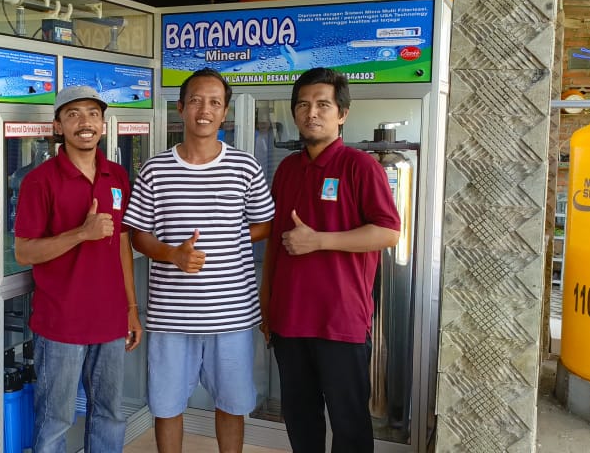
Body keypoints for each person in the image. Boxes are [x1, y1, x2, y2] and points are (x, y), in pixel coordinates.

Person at [123, 68, 274, 453]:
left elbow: (265, 222)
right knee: (167, 406)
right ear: (180, 108)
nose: (204, 110)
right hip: (171, 316)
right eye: (195, 101)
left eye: (214, 103)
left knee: (232, 404)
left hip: (232, 315)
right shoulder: (155, 170)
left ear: (225, 113)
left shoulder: (245, 167)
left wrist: (230, 238)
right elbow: (137, 234)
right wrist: (173, 254)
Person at [260, 67, 400, 453]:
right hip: (290, 322)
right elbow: (275, 243)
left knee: (349, 425)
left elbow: (388, 232)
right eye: (303, 105)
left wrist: (319, 241)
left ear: (342, 113)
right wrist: (267, 305)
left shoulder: (360, 167)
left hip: (340, 323)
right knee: (301, 421)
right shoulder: (287, 169)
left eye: (323, 104)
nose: (312, 113)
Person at [13, 85, 143, 453]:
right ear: (58, 125)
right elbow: (24, 252)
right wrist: (82, 234)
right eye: (73, 115)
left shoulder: (116, 176)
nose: (85, 122)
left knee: (110, 414)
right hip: (61, 324)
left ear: (103, 124)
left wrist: (131, 310)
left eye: (93, 114)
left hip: (109, 321)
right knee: (56, 420)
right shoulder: (39, 182)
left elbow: (121, 243)